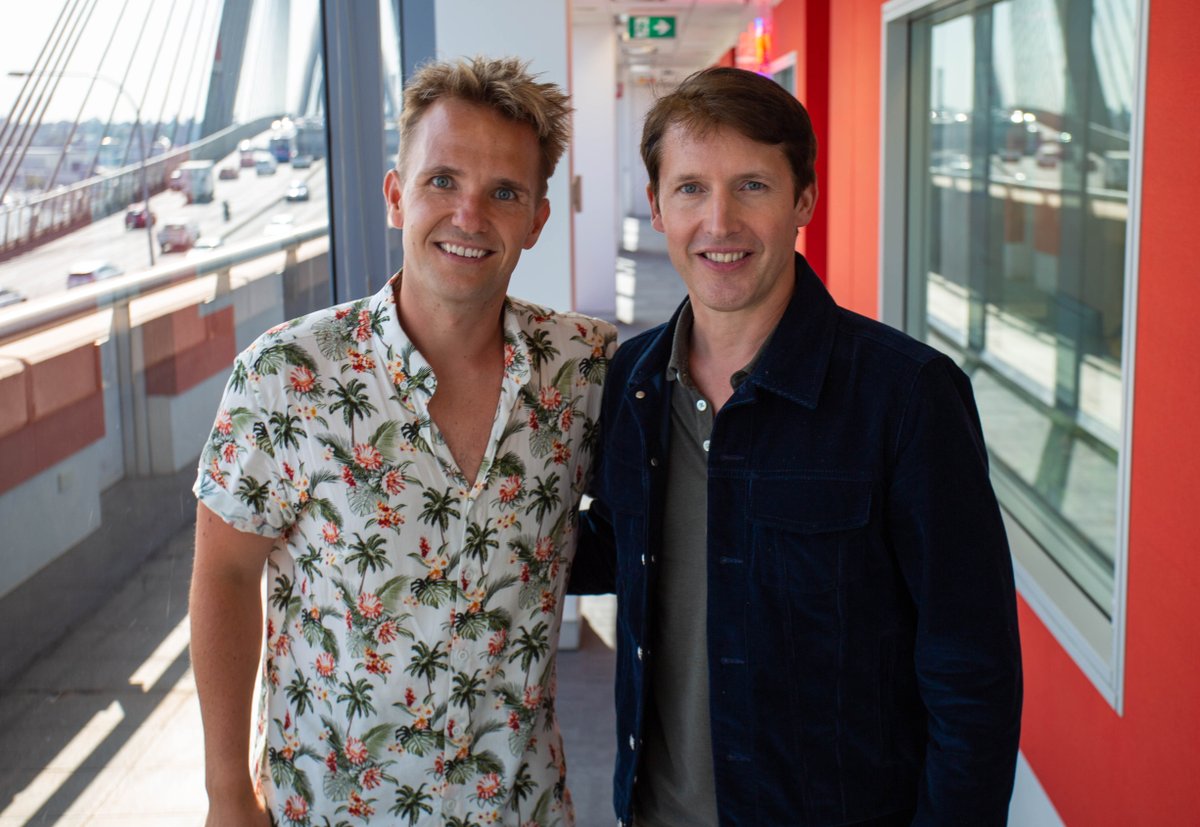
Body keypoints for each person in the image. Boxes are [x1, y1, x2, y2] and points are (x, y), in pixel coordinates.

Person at [572, 67, 1023, 826]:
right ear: (656, 206)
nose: (719, 222)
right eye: (690, 189)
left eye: (751, 185)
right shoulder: (634, 379)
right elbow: (622, 544)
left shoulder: (907, 396)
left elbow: (971, 671)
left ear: (803, 201)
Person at [190, 56, 615, 827]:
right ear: (396, 196)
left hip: (520, 808)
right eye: (442, 181)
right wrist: (225, 794)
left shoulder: (584, 369)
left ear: (537, 220)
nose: (469, 215)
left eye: (505, 193)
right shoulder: (288, 374)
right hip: (327, 809)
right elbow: (224, 574)